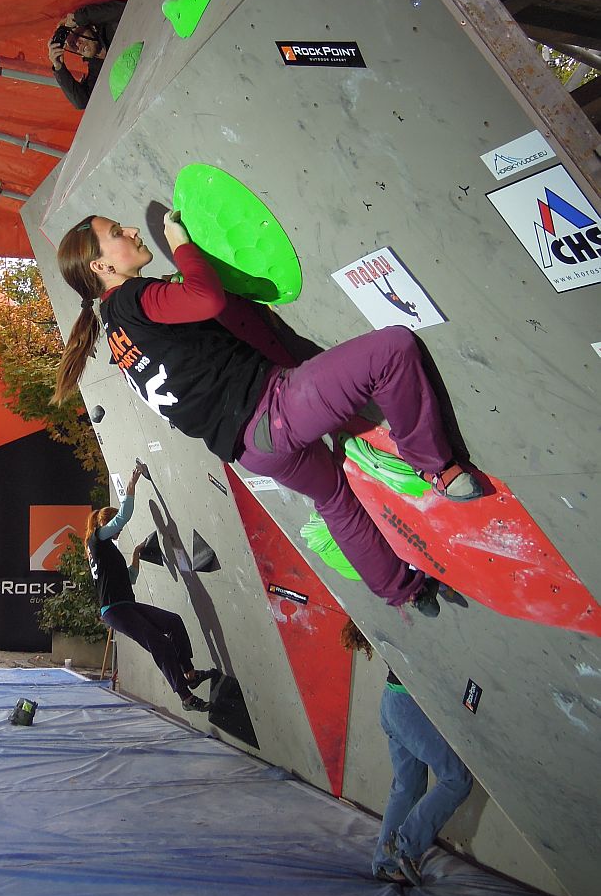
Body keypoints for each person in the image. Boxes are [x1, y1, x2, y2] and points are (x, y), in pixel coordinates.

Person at [53, 212, 484, 616]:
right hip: (273, 410)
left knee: (334, 498)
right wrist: (181, 244)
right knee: (391, 351)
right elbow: (205, 299)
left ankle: (404, 590)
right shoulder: (132, 299)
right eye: (117, 233)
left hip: (252, 451)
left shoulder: (116, 329)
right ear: (101, 267)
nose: (131, 231)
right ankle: (436, 468)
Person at [341, 620, 473, 885]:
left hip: (393, 703)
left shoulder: (394, 607)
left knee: (408, 786)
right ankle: (406, 848)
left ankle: (386, 864)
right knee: (457, 779)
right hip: (410, 706)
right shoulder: (415, 608)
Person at [85, 463, 215, 713]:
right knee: (160, 644)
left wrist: (136, 554)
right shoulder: (97, 540)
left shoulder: (107, 551)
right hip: (114, 610)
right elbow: (123, 516)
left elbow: (130, 578)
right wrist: (132, 484)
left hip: (126, 606)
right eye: (116, 528)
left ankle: (189, 674)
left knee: (173, 622)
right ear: (106, 524)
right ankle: (186, 698)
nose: (120, 531)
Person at [47, 0, 125, 109]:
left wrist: (79, 18)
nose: (78, 44)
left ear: (92, 27)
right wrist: (59, 67)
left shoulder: (112, 28)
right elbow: (82, 102)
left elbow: (125, 8)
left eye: (78, 35)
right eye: (73, 44)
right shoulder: (96, 70)